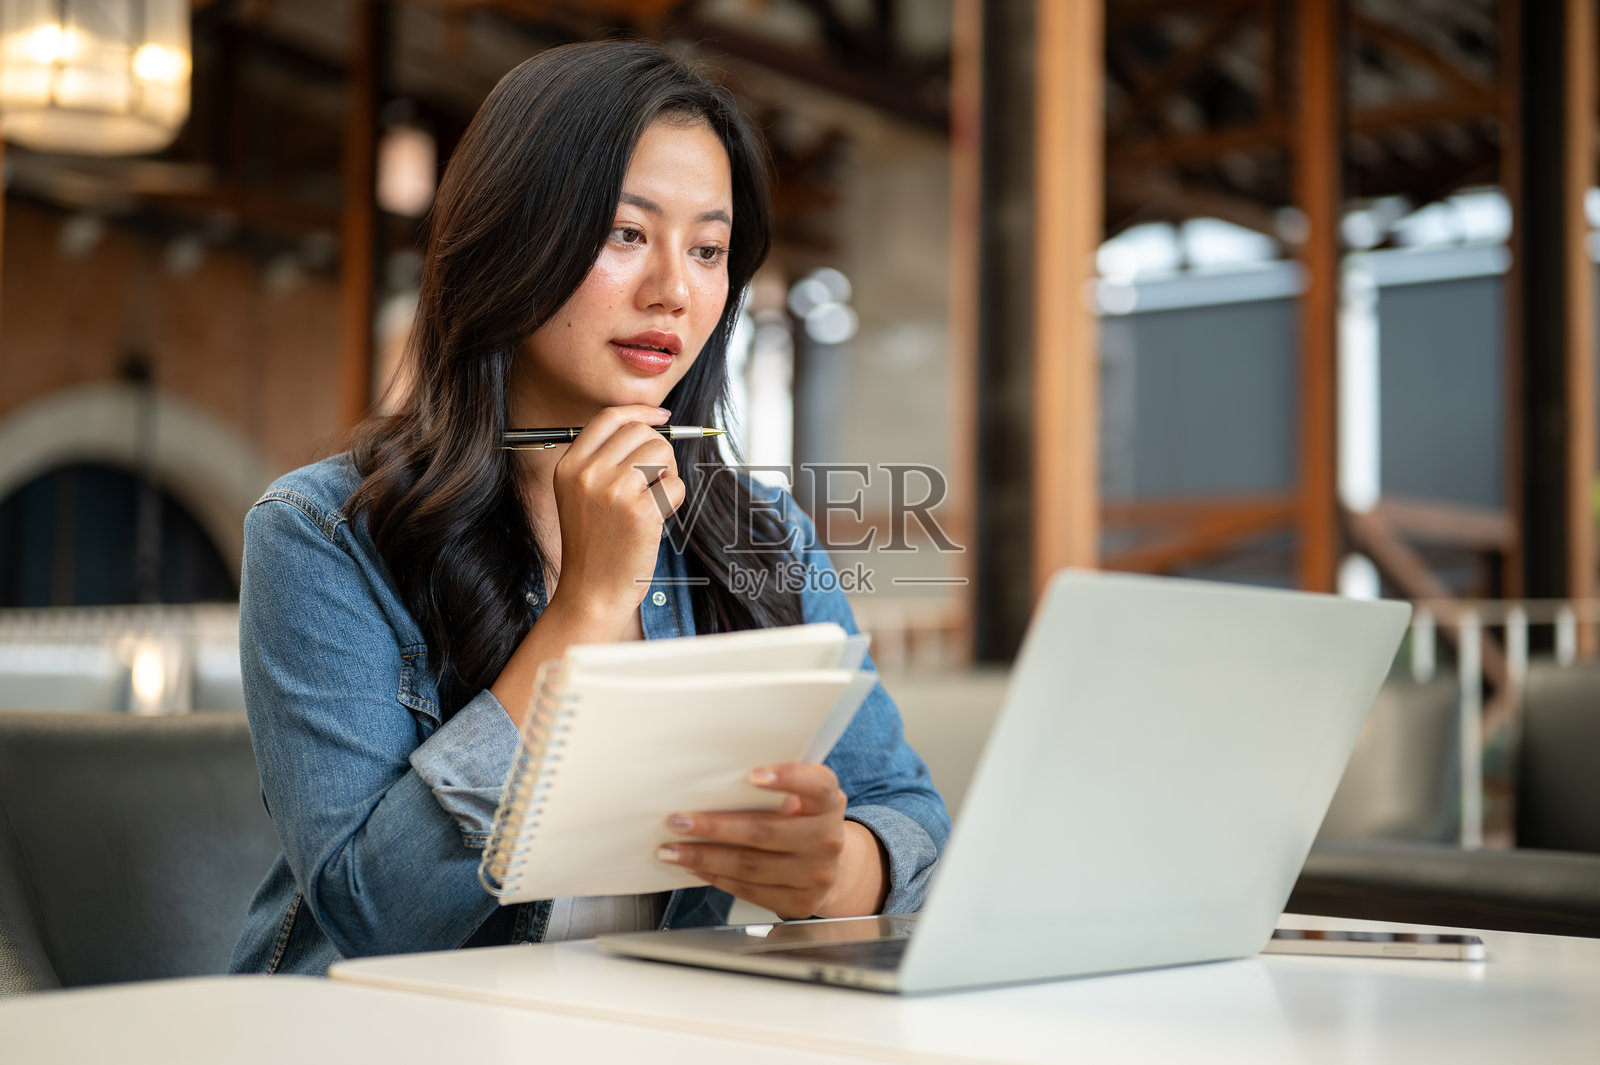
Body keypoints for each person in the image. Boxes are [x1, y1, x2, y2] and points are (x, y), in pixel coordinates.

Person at [230, 39, 949, 977]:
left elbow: (908, 811)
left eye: (708, 249)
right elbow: (379, 918)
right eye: (624, 233)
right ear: (512, 238)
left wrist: (840, 869)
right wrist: (588, 608)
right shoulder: (319, 533)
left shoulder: (762, 533)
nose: (674, 291)